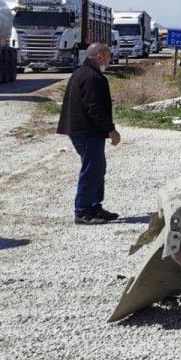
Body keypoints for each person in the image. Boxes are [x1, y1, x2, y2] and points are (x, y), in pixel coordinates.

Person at [57, 43, 121, 225]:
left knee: (98, 168)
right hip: (86, 132)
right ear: (99, 57)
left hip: (85, 131)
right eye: (108, 56)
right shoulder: (92, 77)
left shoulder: (83, 73)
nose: (110, 60)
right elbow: (95, 109)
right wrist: (111, 130)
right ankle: (83, 211)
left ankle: (94, 206)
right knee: (91, 170)